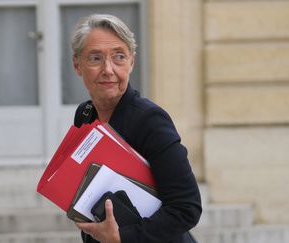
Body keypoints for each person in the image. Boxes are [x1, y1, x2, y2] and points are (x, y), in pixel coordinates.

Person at [71, 14, 202, 243]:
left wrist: (123, 239)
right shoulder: (85, 115)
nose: (108, 69)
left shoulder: (150, 120)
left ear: (131, 61)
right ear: (77, 65)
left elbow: (186, 207)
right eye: (95, 58)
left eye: (119, 57)